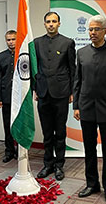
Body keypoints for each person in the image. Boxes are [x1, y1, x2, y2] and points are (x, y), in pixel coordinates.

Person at [73, 15, 106, 203]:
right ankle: (91, 184)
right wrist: (76, 106)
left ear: (105, 31)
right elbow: (77, 82)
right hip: (86, 108)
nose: (92, 33)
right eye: (90, 29)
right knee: (89, 149)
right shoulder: (81, 53)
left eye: (96, 29)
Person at [33, 12, 76, 181]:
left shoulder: (68, 42)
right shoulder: (36, 43)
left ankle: (59, 165)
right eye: (48, 21)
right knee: (46, 132)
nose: (51, 24)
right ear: (44, 24)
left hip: (61, 93)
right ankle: (47, 164)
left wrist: (72, 91)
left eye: (54, 21)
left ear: (59, 23)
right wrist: (34, 89)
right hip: (43, 93)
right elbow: (33, 68)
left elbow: (73, 69)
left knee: (60, 131)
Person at [0, 30, 18, 163]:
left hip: (20, 96)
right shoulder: (0, 57)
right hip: (6, 96)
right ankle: (9, 151)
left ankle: (20, 151)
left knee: (20, 124)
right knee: (7, 125)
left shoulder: (23, 55)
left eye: (13, 39)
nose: (11, 42)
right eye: (8, 40)